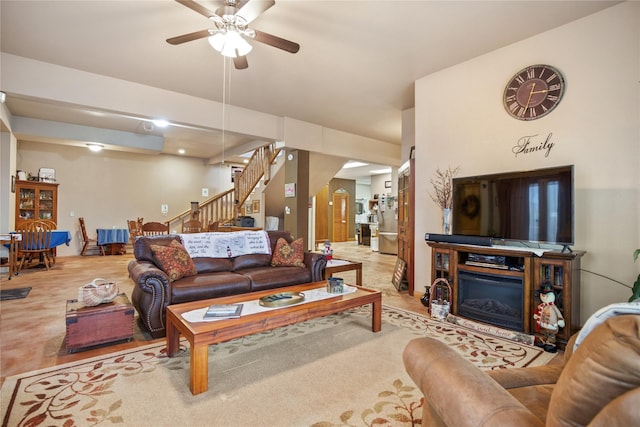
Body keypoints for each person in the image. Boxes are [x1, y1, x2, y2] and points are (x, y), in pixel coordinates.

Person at [533, 284, 565, 352]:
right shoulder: (542, 305)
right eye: (542, 294)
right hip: (545, 324)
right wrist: (536, 315)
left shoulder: (553, 307)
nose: (544, 296)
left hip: (552, 325)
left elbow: (558, 314)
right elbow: (538, 311)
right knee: (546, 333)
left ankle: (551, 344)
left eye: (546, 294)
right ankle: (545, 342)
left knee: (551, 335)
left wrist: (560, 320)